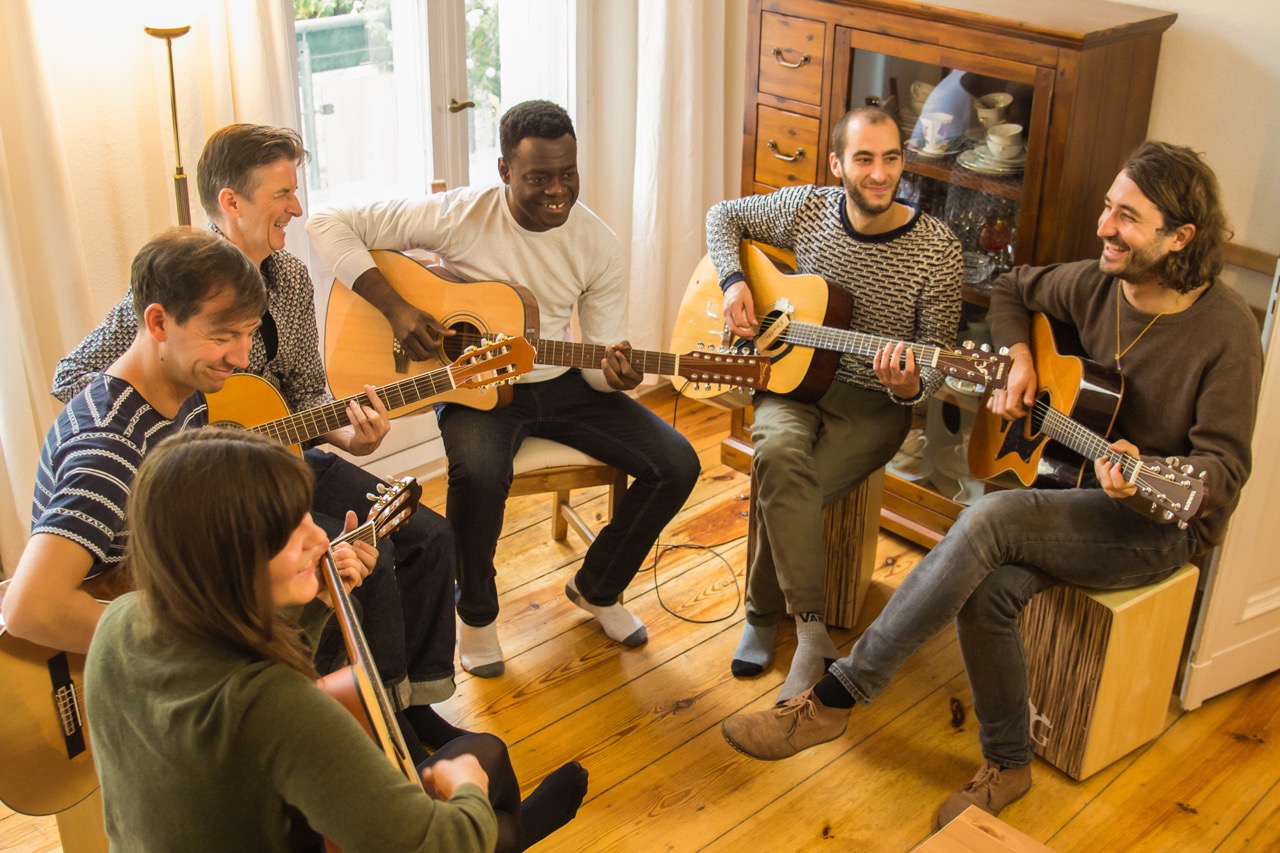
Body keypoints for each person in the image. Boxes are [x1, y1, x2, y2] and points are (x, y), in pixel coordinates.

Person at [719, 141, 1262, 830]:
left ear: (1180, 236)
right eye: (1105, 206)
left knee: (992, 518)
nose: (1103, 227)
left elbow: (1223, 472)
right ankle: (1009, 761)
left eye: (1126, 217)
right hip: (1067, 486)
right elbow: (1012, 289)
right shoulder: (1097, 283)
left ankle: (834, 699)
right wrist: (1021, 357)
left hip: (1153, 521)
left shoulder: (1227, 334)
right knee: (989, 588)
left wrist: (1143, 477)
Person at [49, 124, 461, 750]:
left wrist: (351, 436)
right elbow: (71, 376)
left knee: (427, 533)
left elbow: (305, 397)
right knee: (353, 561)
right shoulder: (183, 284)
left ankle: (407, 698)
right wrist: (175, 445)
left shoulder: (291, 279)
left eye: (296, 190)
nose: (297, 208)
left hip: (290, 452)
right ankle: (352, 722)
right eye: (282, 193)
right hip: (217, 494)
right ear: (231, 203)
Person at [306, 99, 701, 677]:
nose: (557, 191)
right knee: (480, 473)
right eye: (539, 177)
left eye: (569, 173)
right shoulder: (458, 214)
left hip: (561, 381)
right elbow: (325, 222)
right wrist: (395, 309)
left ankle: (598, 587)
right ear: (503, 171)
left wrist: (620, 372)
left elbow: (597, 359)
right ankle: (478, 614)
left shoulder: (598, 244)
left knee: (678, 462)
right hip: (476, 391)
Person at [87, 428, 586, 852]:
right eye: (289, 533)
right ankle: (512, 833)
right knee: (484, 760)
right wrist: (468, 793)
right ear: (227, 558)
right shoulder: (274, 706)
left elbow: (237, 699)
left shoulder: (118, 622)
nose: (321, 539)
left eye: (308, 515)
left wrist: (319, 603)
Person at [705, 105, 962, 703]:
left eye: (891, 158)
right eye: (864, 159)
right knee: (775, 449)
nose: (879, 174)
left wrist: (910, 385)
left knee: (790, 484)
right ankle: (810, 630)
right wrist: (733, 282)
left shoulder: (937, 251)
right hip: (794, 380)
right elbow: (723, 216)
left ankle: (762, 615)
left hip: (875, 403)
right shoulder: (810, 208)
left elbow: (935, 368)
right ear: (837, 164)